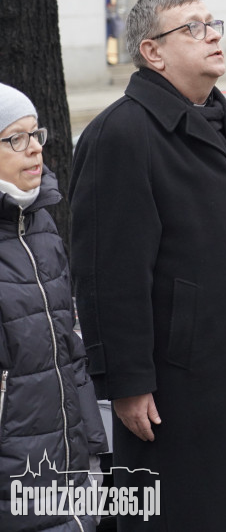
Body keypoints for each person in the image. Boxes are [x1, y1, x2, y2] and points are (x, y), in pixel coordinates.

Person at [70, 0, 226, 531]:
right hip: (183, 376)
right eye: (192, 27)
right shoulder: (122, 134)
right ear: (152, 52)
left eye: (213, 23)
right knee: (197, 507)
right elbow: (108, 273)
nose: (211, 35)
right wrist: (127, 381)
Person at [0, 85, 108, 532]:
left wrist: (92, 452)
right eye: (15, 139)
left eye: (36, 134)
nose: (35, 148)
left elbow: (67, 349)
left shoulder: (41, 221)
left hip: (67, 471)